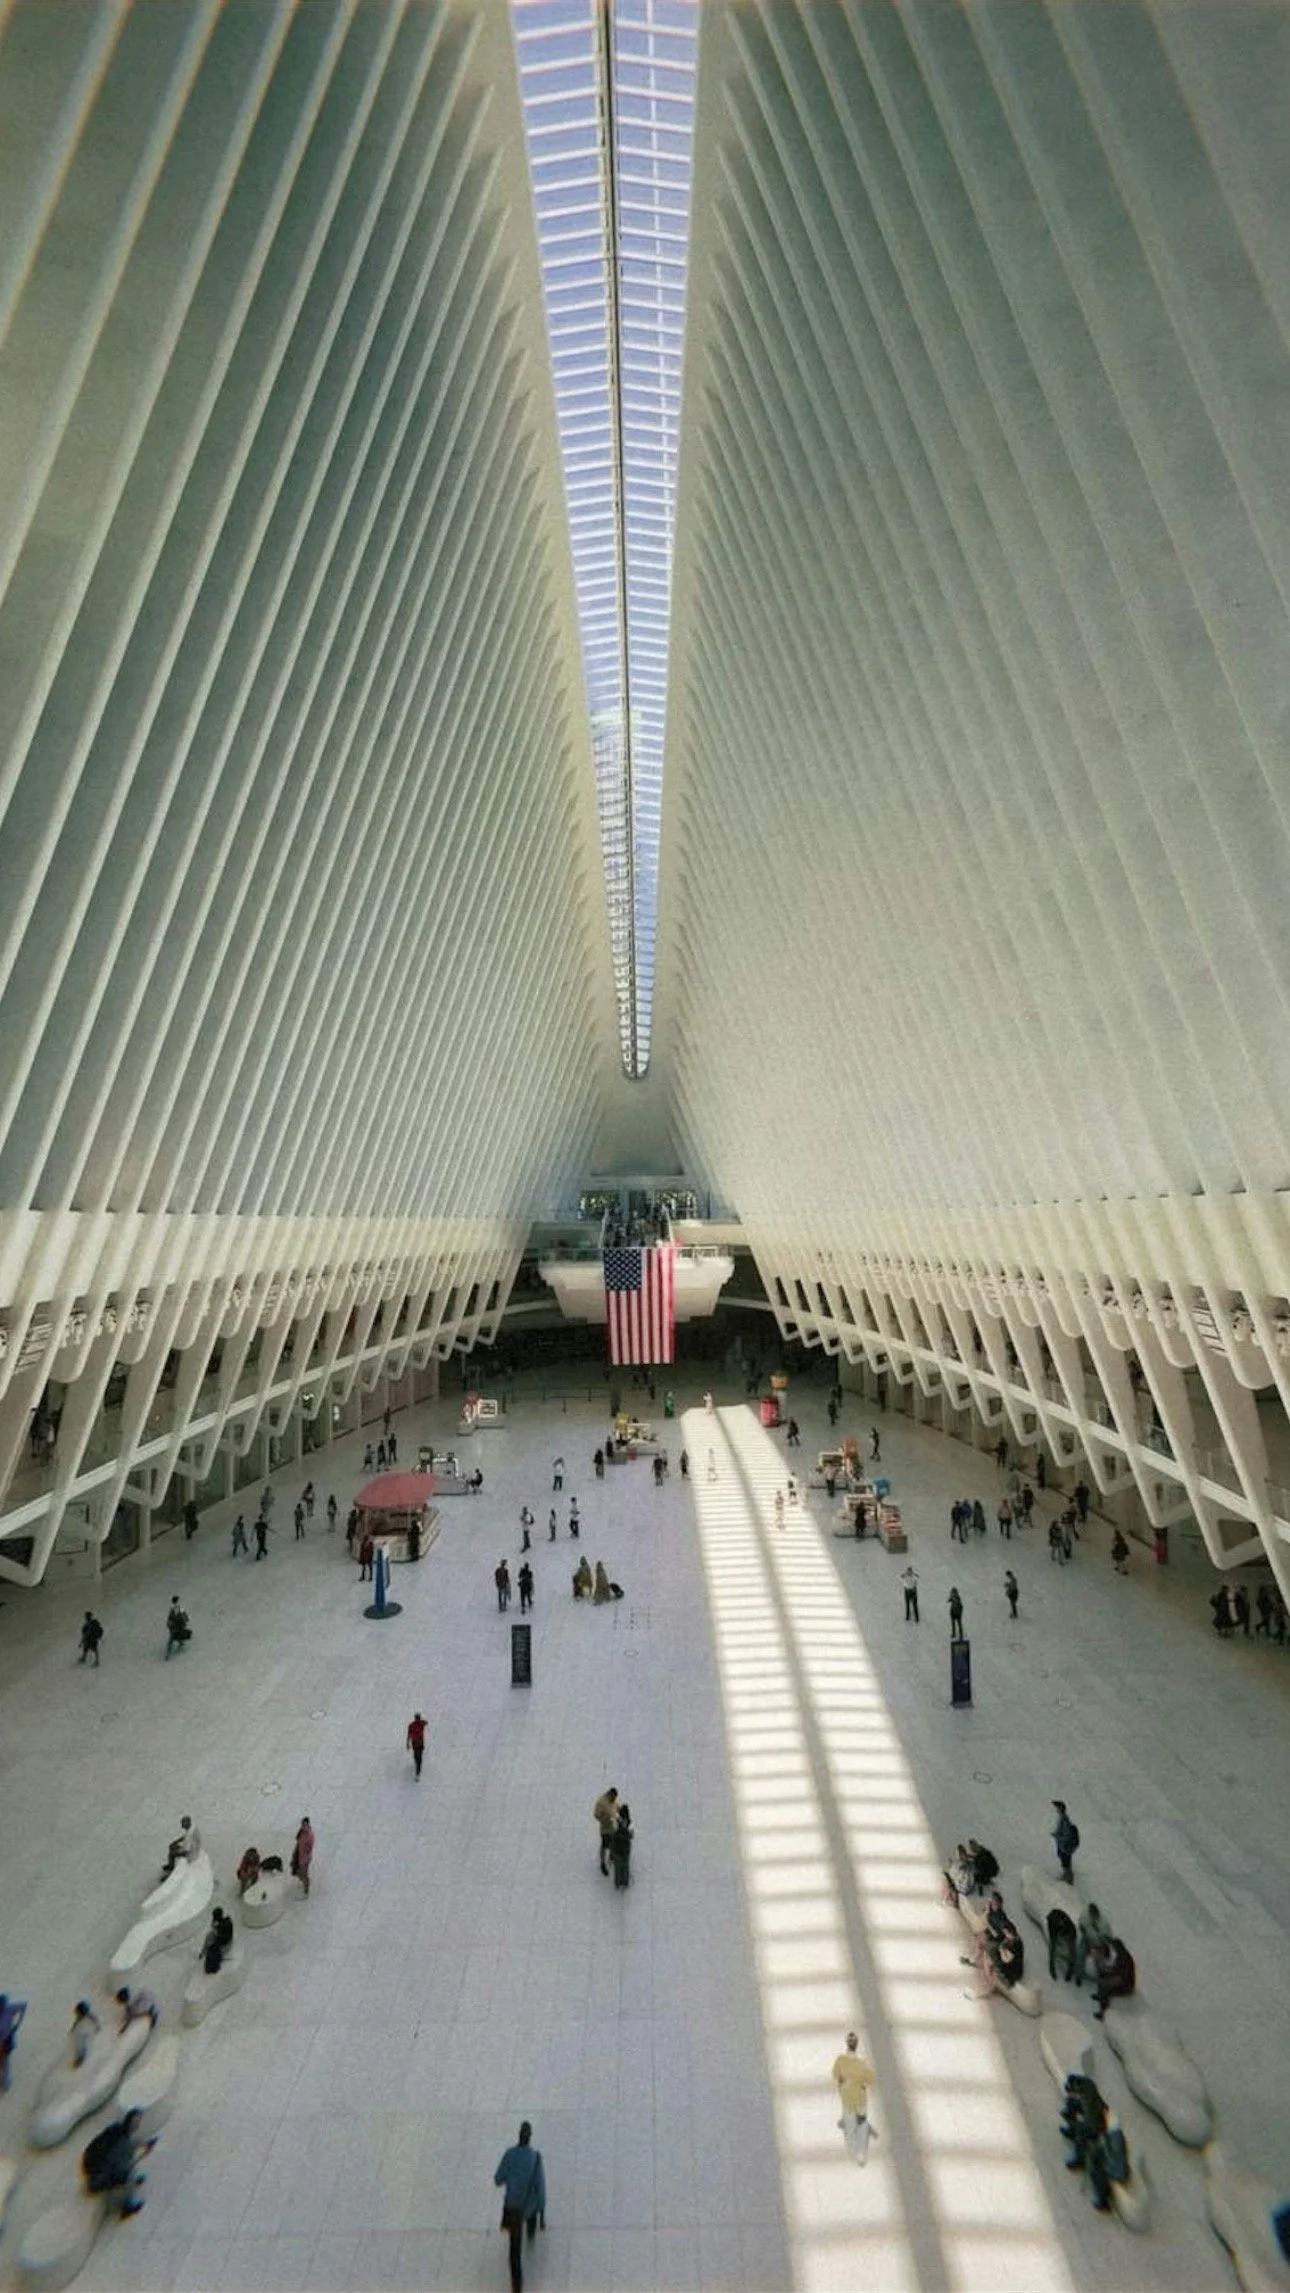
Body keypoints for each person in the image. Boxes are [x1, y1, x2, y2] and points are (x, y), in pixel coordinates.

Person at [494, 2120, 546, 2293]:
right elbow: (540, 2186)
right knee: (531, 2209)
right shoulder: (535, 2158)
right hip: (528, 2208)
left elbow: (498, 2179)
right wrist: (542, 2214)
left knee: (514, 2251)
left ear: (518, 2135)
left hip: (512, 2208)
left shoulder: (509, 2154)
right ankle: (531, 2231)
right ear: (530, 2137)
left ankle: (517, 2287)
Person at [81, 2108, 155, 2217]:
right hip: (97, 2178)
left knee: (126, 2164)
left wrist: (144, 2144)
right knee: (126, 2172)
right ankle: (128, 2205)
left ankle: (131, 2180)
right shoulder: (123, 2144)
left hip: (93, 2167)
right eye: (137, 2121)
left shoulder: (117, 2129)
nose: (138, 2124)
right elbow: (121, 2165)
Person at [832, 2030, 879, 2164]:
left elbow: (836, 2077)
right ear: (857, 2045)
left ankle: (852, 2151)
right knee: (862, 2125)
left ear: (847, 2044)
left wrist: (842, 2087)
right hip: (860, 2099)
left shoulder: (840, 2061)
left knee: (850, 2126)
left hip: (847, 2098)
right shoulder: (862, 2065)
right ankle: (862, 2153)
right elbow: (871, 2080)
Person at [1090, 1936, 1135, 2019]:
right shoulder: (1122, 1955)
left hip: (1126, 1985)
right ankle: (1100, 1995)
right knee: (1103, 1977)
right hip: (1121, 1979)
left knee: (1106, 1988)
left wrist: (1111, 1979)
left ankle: (1103, 2012)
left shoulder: (1123, 1957)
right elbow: (1116, 1969)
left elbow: (1122, 1975)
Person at [1074, 1903, 1112, 1989]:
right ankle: (1079, 1975)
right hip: (1087, 1940)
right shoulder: (1085, 1916)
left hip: (1098, 1944)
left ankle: (1101, 1975)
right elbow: (1081, 1925)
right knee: (1080, 1955)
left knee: (1099, 1961)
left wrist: (1104, 1946)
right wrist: (1084, 1932)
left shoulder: (1104, 1923)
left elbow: (1108, 1937)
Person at [160, 1815, 200, 1880]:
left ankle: (171, 1871)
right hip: (192, 1847)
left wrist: (178, 1852)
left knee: (172, 1854)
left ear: (186, 1824)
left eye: (182, 1823)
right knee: (172, 1846)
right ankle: (171, 1864)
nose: (181, 1825)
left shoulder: (189, 1836)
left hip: (191, 1853)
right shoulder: (192, 1827)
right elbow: (184, 1836)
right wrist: (176, 1842)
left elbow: (187, 1850)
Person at [1046, 1905, 1078, 1981]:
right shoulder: (1052, 1924)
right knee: (1052, 1948)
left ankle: (1071, 1968)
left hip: (1066, 1930)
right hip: (1055, 1927)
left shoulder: (1071, 1929)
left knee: (1072, 1950)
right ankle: (1051, 1967)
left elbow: (1072, 1940)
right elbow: (1052, 1937)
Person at [201, 1905, 234, 1975]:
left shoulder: (226, 1924)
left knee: (211, 1943)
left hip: (225, 1943)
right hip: (219, 1938)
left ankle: (211, 1964)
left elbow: (226, 1938)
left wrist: (217, 1934)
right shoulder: (221, 1922)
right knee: (209, 1936)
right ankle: (205, 1950)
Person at [1052, 1800, 1080, 1882]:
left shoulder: (1064, 1820)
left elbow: (1066, 1836)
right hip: (1063, 1846)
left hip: (1065, 1846)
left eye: (1057, 1808)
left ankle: (1069, 1880)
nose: (1056, 1810)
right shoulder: (1063, 1819)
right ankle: (1067, 1877)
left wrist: (1057, 1836)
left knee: (1066, 1863)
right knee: (1065, 1862)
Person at [594, 1787, 619, 1874]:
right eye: (613, 1798)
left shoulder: (613, 1801)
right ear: (610, 1795)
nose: (614, 1799)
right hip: (605, 1828)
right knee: (604, 1845)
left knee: (613, 1841)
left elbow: (616, 1806)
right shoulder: (601, 1802)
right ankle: (602, 1863)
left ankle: (612, 1856)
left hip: (612, 1826)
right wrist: (605, 1819)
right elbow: (596, 1815)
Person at [69, 1999, 101, 2067]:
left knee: (83, 2044)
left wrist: (97, 2027)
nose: (77, 2015)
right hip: (84, 2030)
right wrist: (73, 2029)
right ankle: (79, 2059)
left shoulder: (87, 2015)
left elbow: (94, 2019)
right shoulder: (81, 2016)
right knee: (79, 2044)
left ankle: (80, 2060)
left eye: (78, 2013)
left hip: (87, 2032)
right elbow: (77, 2021)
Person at [609, 1801, 634, 1888]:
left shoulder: (615, 1821)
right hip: (626, 1849)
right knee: (625, 1866)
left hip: (616, 1848)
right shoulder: (630, 1823)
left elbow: (612, 1834)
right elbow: (631, 1836)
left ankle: (617, 1883)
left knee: (617, 1868)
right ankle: (625, 1882)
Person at [291, 1816, 314, 1897]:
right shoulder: (301, 1832)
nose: (303, 1826)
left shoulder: (309, 1834)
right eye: (302, 1824)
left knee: (304, 1873)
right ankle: (305, 1882)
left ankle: (306, 1890)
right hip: (299, 1855)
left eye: (305, 1824)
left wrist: (306, 1853)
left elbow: (310, 1846)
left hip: (305, 1858)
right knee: (297, 1871)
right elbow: (298, 1842)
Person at [407, 1712, 427, 1778]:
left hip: (420, 1744)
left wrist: (421, 1721)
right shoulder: (411, 1725)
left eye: (418, 1718)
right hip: (415, 1744)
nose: (417, 1719)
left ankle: (417, 1773)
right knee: (416, 1757)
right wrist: (407, 1743)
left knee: (419, 1758)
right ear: (415, 1718)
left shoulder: (421, 1724)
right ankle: (417, 1768)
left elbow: (426, 1722)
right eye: (417, 1718)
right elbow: (409, 1734)